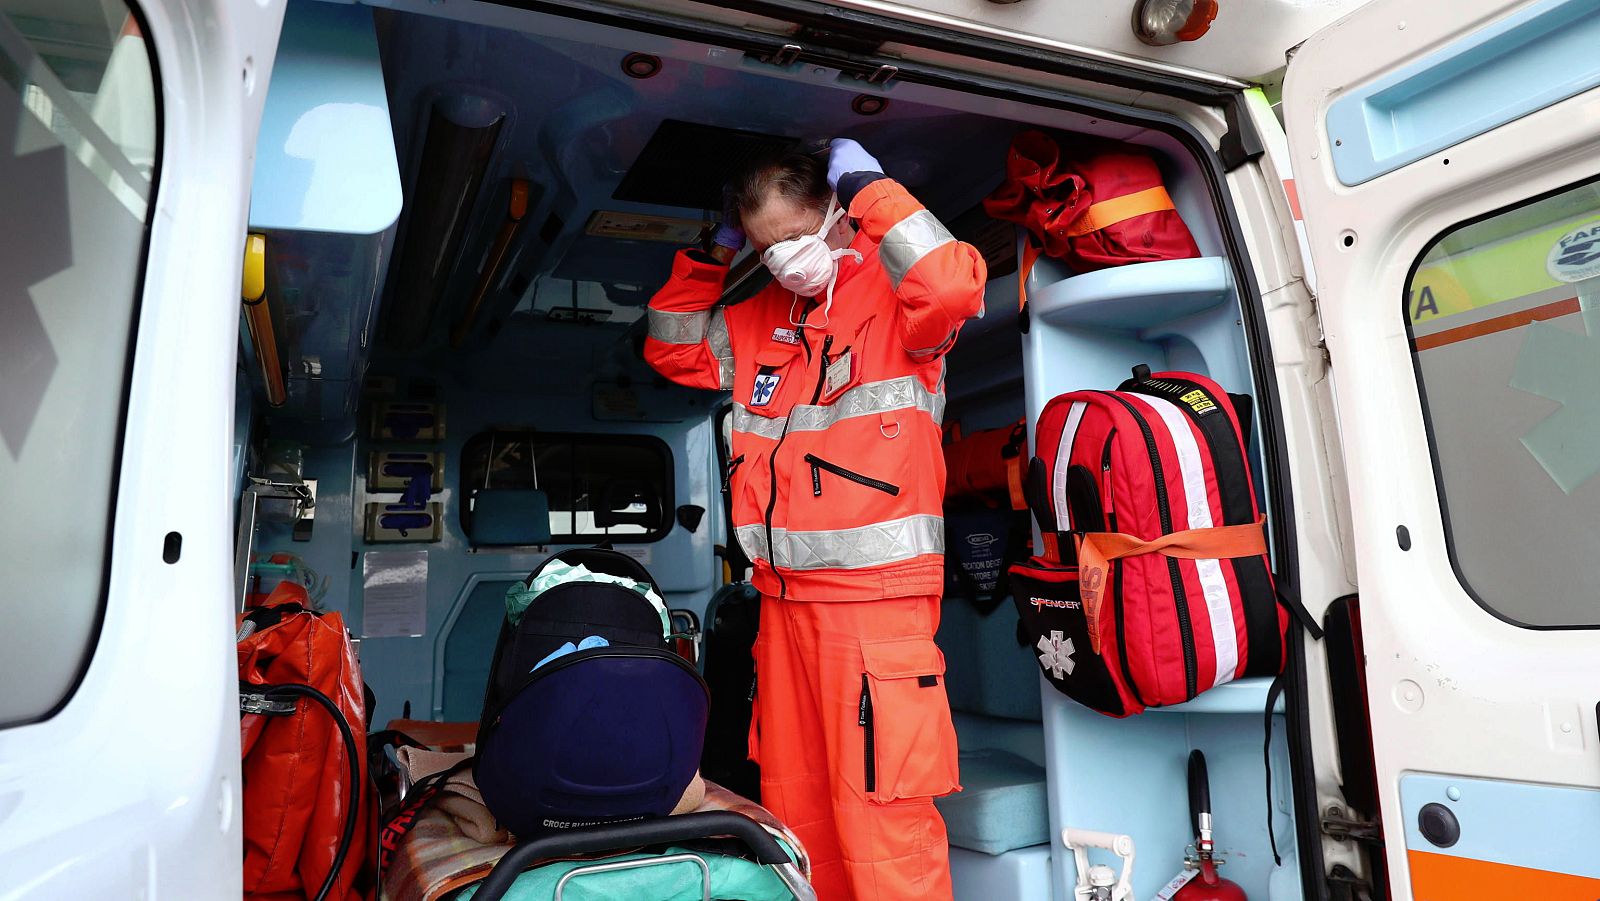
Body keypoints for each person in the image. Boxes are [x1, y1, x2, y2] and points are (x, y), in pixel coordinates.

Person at [643, 138, 987, 901]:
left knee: (882, 828)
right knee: (795, 818)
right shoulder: (759, 315)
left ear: (838, 215)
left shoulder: (899, 301)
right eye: (764, 248)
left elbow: (952, 283)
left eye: (795, 237)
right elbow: (671, 350)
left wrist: (871, 188)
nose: (784, 260)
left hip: (876, 611)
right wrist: (716, 250)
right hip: (783, 609)